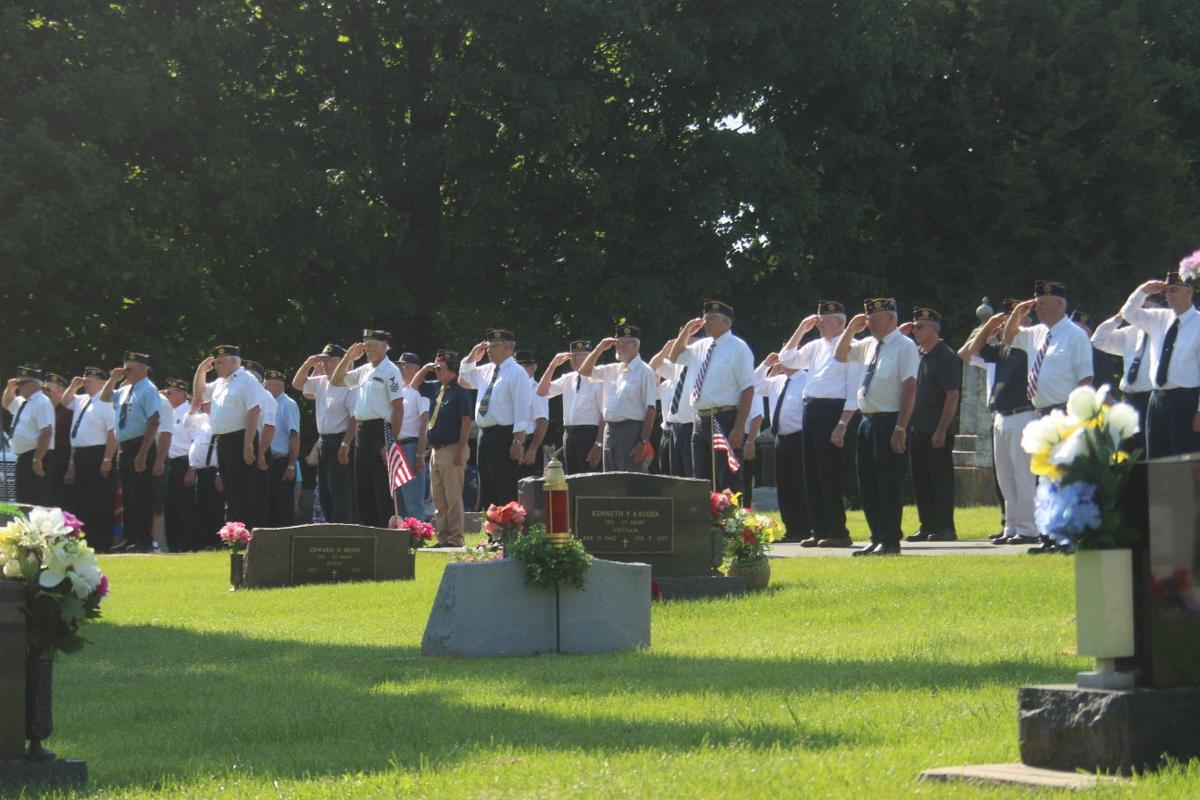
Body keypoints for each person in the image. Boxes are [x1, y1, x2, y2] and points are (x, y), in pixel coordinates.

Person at [1003, 280, 1094, 553]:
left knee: (1064, 477)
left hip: (1065, 411)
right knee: (1044, 477)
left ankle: (1068, 537)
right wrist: (1018, 312)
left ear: (1059, 304)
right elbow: (1008, 337)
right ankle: (1049, 537)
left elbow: (1086, 378)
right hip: (1041, 412)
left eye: (1043, 303)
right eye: (1037, 302)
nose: (1039, 307)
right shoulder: (1036, 333)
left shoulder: (1075, 335)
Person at [834, 298, 919, 556]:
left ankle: (890, 540)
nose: (869, 323)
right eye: (868, 318)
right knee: (867, 482)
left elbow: (909, 387)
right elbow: (840, 355)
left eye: (874, 318)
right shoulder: (869, 344)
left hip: (890, 420)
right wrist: (850, 329)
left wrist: (901, 428)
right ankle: (876, 536)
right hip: (868, 421)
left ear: (891, 319)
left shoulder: (905, 346)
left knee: (888, 483)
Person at [780, 302, 861, 547]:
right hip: (811, 409)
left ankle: (838, 531)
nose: (819, 324)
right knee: (812, 474)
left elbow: (852, 391)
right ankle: (818, 529)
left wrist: (842, 423)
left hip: (832, 411)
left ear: (839, 322)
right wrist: (800, 331)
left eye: (824, 320)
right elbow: (788, 359)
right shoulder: (815, 345)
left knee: (829, 473)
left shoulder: (852, 347)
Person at [959, 299, 1039, 547]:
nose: (1008, 325)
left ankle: (1028, 528)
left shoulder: (1031, 348)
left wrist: (1015, 315)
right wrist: (989, 326)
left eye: (1014, 319)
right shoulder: (1003, 350)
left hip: (1024, 415)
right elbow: (968, 352)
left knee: (1023, 474)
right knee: (1006, 477)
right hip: (1001, 417)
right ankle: (1012, 526)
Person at [666, 301, 756, 491]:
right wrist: (686, 333)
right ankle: (705, 519)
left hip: (725, 418)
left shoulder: (738, 348)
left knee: (727, 479)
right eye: (704, 318)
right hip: (700, 418)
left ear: (726, 323)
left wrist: (739, 428)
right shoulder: (701, 345)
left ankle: (729, 520)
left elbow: (748, 389)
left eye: (711, 319)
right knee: (701, 479)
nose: (705, 323)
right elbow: (674, 357)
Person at [1118, 267, 1200, 458]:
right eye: (1166, 290)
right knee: (1156, 460)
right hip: (1156, 399)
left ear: (1189, 291)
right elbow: (1128, 313)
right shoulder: (1159, 318)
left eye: (1174, 289)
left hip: (1185, 399)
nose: (1168, 295)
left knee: (1185, 460)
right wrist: (1143, 291)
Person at [331, 330, 405, 527]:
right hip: (362, 431)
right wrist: (348, 357)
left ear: (384, 346)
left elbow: (398, 407)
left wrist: (391, 443)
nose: (368, 350)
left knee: (381, 486)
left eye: (372, 346)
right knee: (363, 485)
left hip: (381, 429)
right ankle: (368, 528)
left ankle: (386, 532)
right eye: (366, 346)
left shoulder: (391, 371)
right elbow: (336, 380)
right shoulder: (364, 370)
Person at [902, 308, 962, 543]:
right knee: (920, 480)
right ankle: (927, 525)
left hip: (937, 430)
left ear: (934, 329)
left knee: (940, 480)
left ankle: (946, 527)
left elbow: (952, 395)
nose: (915, 330)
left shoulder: (945, 356)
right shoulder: (918, 354)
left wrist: (941, 429)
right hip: (918, 427)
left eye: (920, 326)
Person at [458, 329, 532, 509]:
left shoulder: (517, 372)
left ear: (508, 348)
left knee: (504, 486)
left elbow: (522, 410)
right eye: (488, 346)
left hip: (505, 435)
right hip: (485, 435)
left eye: (495, 346)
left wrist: (518, 442)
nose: (489, 350)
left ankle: (509, 530)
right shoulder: (486, 370)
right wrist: (471, 357)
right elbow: (463, 380)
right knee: (487, 488)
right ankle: (491, 533)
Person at [193, 345, 262, 528]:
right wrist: (201, 371)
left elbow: (253, 411)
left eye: (220, 362)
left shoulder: (247, 379)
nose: (216, 366)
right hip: (223, 441)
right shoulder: (219, 383)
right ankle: (233, 535)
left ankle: (246, 536)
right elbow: (199, 394)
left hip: (241, 438)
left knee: (243, 491)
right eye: (215, 363)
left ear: (234, 361)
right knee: (229, 491)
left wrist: (248, 444)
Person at [411, 351, 473, 546]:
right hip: (436, 451)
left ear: (453, 370)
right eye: (436, 368)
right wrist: (426, 368)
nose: (437, 372)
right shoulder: (437, 388)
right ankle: (443, 537)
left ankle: (455, 538)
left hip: (452, 448)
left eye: (441, 368)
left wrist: (461, 450)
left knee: (452, 497)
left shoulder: (460, 390)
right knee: (438, 498)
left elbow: (466, 421)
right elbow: (414, 385)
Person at [1090, 294, 1166, 452]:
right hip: (1129, 400)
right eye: (1140, 308)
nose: (1143, 313)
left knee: (1151, 451)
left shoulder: (1166, 332)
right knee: (1126, 452)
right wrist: (1118, 318)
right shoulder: (1130, 332)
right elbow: (1097, 341)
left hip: (1152, 398)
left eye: (1147, 308)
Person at [101, 352, 160, 552]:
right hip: (125, 447)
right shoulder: (126, 389)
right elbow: (104, 396)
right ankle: (130, 537)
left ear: (143, 369)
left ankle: (144, 539)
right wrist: (113, 379)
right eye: (125, 367)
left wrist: (143, 454)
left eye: (130, 368)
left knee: (141, 494)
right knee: (127, 495)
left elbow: (153, 422)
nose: (126, 372)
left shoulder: (148, 390)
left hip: (140, 444)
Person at [579, 324, 658, 473]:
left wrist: (643, 442)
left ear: (635, 345)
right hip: (610, 430)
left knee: (628, 481)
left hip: (631, 430)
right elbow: (584, 372)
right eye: (617, 343)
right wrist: (599, 349)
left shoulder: (645, 371)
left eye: (623, 343)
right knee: (610, 480)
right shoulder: (613, 369)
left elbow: (651, 409)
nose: (618, 347)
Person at [294, 344, 358, 523]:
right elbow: (298, 384)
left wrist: (346, 444)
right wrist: (308, 364)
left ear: (341, 362)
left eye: (329, 361)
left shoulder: (350, 384)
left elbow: (355, 418)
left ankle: (342, 530)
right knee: (324, 492)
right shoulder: (322, 381)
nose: (325, 364)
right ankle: (330, 528)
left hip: (341, 439)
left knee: (340, 491)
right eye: (324, 360)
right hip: (324, 441)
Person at [62, 367, 117, 550]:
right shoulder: (81, 399)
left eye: (90, 380)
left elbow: (112, 433)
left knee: (99, 500)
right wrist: (73, 386)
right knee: (82, 500)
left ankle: (101, 541)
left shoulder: (105, 402)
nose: (86, 383)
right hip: (80, 454)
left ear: (101, 383)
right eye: (85, 379)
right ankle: (86, 540)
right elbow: (65, 401)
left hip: (98, 453)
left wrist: (107, 460)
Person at [760, 355, 813, 544]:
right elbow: (753, 384)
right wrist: (766, 365)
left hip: (800, 437)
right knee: (784, 487)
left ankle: (805, 528)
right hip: (780, 439)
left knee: (800, 485)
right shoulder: (777, 381)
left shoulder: (806, 378)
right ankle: (791, 529)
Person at [538, 340, 604, 475]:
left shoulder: (599, 379)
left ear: (588, 357)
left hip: (590, 434)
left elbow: (604, 415)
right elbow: (541, 392)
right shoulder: (568, 378)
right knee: (572, 479)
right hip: (569, 434)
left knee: (590, 479)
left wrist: (598, 445)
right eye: (572, 356)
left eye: (578, 355)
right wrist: (552, 366)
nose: (573, 359)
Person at [3, 367, 56, 506]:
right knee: (23, 501)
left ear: (34, 384)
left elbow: (47, 431)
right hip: (24, 457)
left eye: (22, 384)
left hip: (37, 456)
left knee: (35, 501)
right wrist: (10, 387)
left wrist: (37, 459)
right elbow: (6, 403)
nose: (19, 387)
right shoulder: (23, 402)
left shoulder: (42, 402)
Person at [649, 334, 697, 478]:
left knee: (691, 474)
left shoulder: (702, 364)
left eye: (691, 336)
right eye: (683, 336)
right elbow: (653, 366)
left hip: (692, 426)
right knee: (672, 476)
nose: (685, 340)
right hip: (673, 428)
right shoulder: (677, 366)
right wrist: (665, 351)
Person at [161, 378, 198, 550]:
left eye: (171, 393)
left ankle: (187, 544)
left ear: (182, 393)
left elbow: (195, 443)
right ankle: (173, 545)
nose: (167, 395)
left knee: (185, 506)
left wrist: (192, 470)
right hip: (169, 463)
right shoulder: (167, 412)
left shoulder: (189, 413)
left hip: (184, 463)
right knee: (169, 506)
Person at [394, 353, 430, 518]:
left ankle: (419, 538)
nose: (401, 368)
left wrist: (419, 454)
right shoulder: (400, 392)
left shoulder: (421, 392)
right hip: (398, 449)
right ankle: (403, 540)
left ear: (416, 369)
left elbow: (423, 425)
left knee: (413, 502)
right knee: (400, 502)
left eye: (405, 365)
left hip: (411, 447)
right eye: (400, 365)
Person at [185, 400, 224, 548]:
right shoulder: (202, 420)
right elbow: (187, 422)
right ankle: (206, 542)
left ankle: (218, 541)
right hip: (200, 470)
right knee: (202, 508)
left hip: (214, 471)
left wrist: (220, 474)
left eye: (208, 402)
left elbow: (221, 450)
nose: (204, 405)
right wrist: (192, 469)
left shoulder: (220, 422)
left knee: (215, 508)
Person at [264, 369, 300, 527]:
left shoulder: (288, 404)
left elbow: (294, 435)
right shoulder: (265, 404)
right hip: (266, 461)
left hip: (281, 462)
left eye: (269, 384)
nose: (265, 387)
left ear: (280, 386)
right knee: (268, 505)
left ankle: (286, 546)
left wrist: (292, 465)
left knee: (283, 506)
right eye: (266, 384)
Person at [515, 351, 550, 480]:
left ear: (532, 367)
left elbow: (542, 421)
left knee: (528, 491)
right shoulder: (515, 387)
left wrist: (532, 449)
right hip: (514, 441)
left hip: (528, 442)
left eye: (521, 366)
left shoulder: (536, 389)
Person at [42, 372, 72, 508]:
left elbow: (75, 440)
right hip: (45, 458)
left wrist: (71, 467)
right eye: (44, 390)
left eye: (48, 390)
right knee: (45, 498)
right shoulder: (42, 408)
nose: (45, 393)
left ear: (61, 391)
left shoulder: (70, 411)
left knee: (61, 500)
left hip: (63, 459)